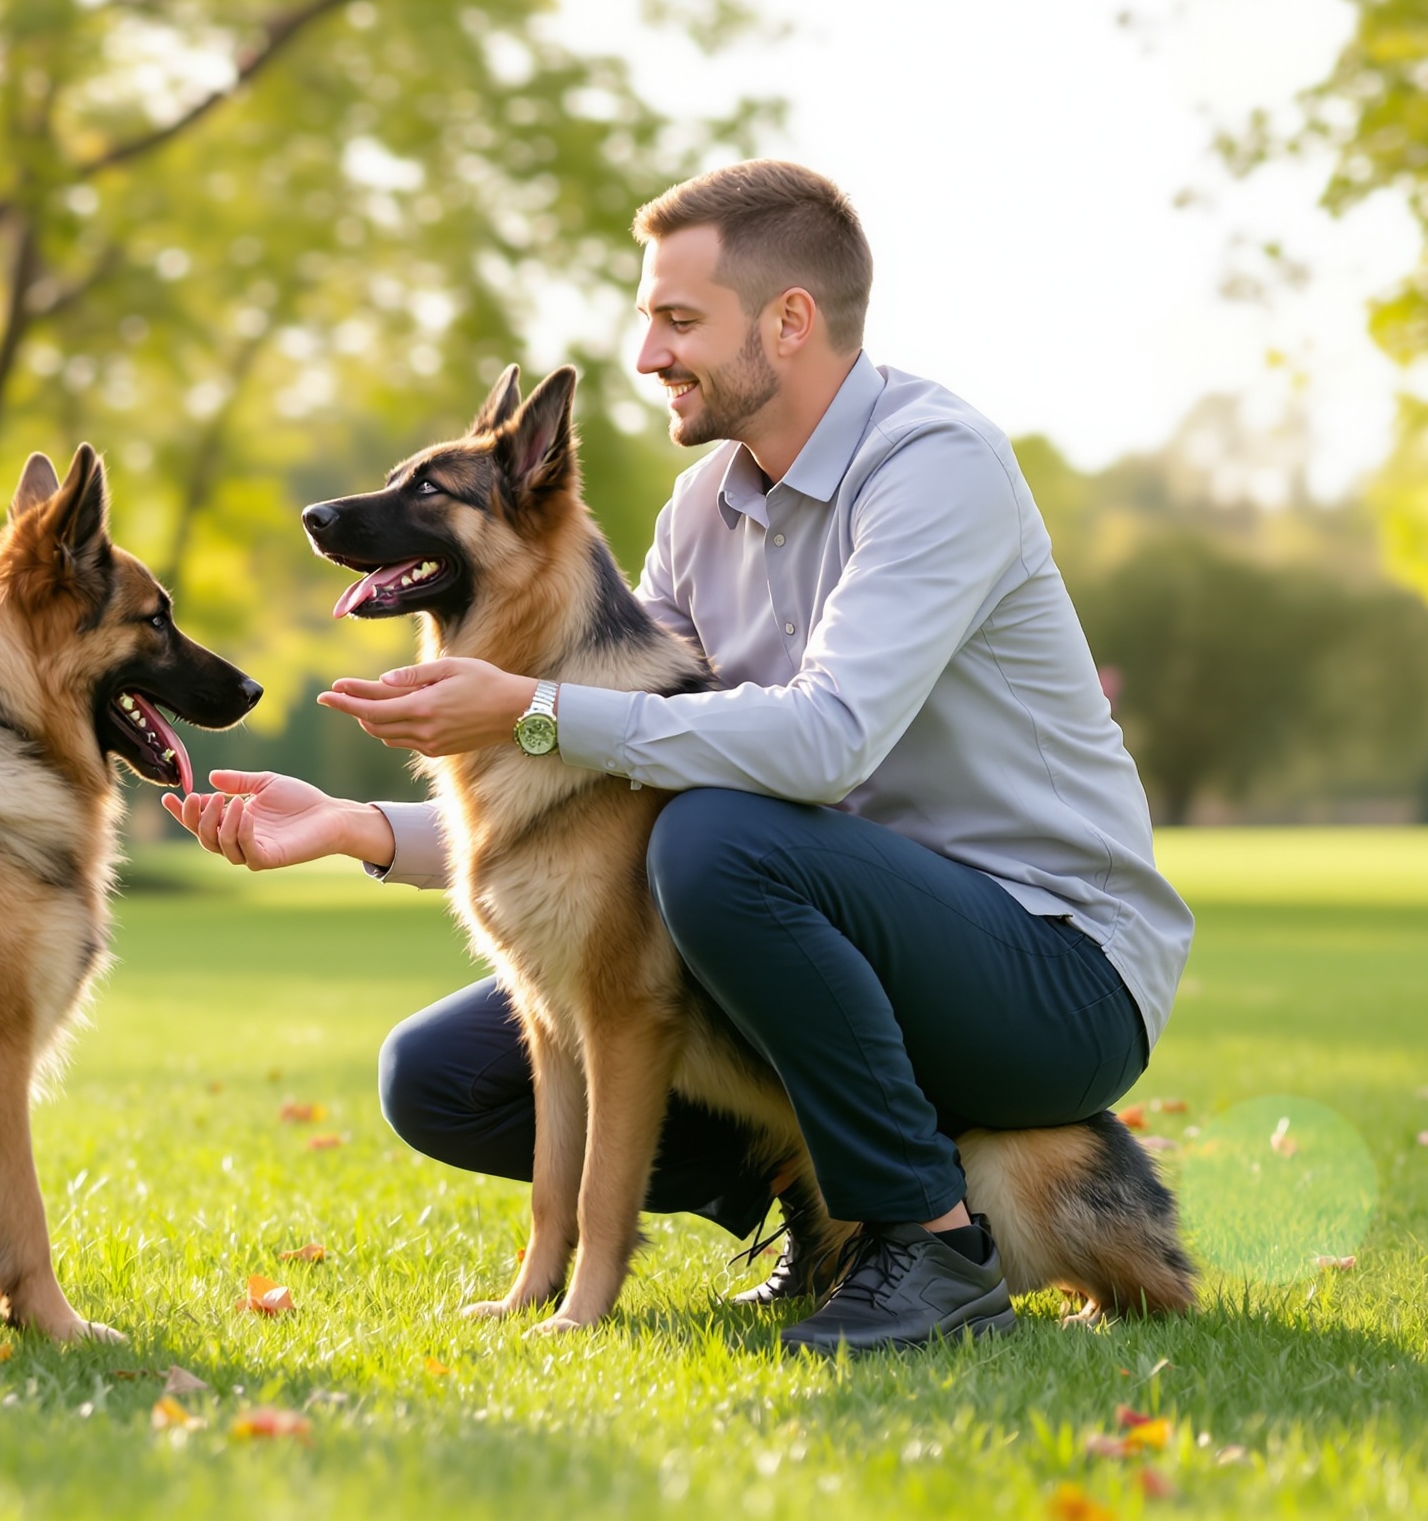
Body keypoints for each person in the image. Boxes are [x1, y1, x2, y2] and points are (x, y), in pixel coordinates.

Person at [162, 159, 1193, 1353]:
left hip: (1051, 969)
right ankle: (824, 1228)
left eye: (678, 319)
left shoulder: (934, 464)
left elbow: (821, 741)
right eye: (649, 318)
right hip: (838, 943)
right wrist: (359, 826)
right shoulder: (702, 509)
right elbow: (606, 813)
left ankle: (926, 1241)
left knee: (716, 839)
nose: (647, 353)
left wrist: (529, 707)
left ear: (790, 320)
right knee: (443, 1071)